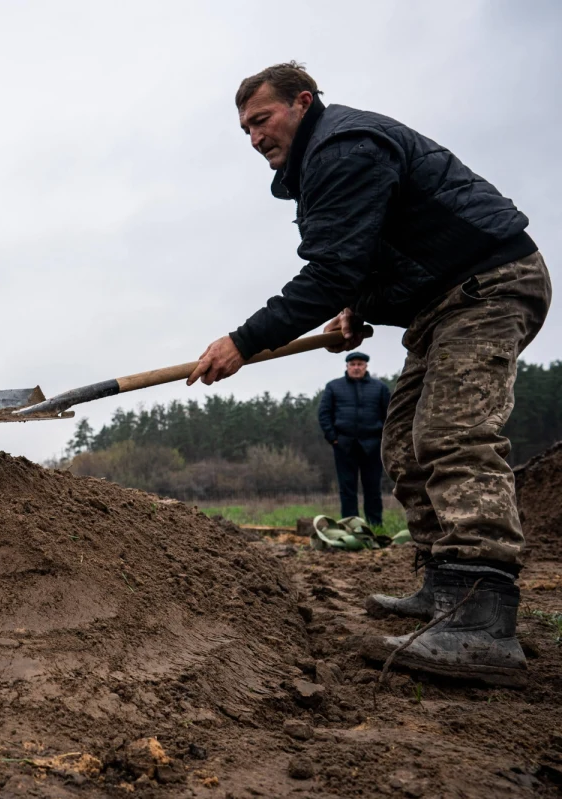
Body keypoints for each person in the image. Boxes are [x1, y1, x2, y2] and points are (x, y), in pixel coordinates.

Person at [185, 62, 550, 686]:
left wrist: (244, 341)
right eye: (244, 129)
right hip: (441, 302)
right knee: (404, 444)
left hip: (488, 286)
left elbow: (330, 271)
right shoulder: (321, 164)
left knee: (452, 435)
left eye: (262, 120)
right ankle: (445, 591)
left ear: (303, 103)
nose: (254, 138)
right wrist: (361, 308)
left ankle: (483, 621)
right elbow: (368, 260)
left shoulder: (343, 149)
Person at [317, 351, 390, 526]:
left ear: (366, 367)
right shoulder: (334, 387)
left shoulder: (379, 388)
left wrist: (383, 439)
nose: (356, 367)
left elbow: (389, 414)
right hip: (344, 445)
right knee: (347, 489)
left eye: (360, 364)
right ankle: (351, 526)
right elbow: (324, 414)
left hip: (372, 445)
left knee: (373, 488)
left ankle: (375, 527)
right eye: (353, 364)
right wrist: (333, 437)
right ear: (347, 366)